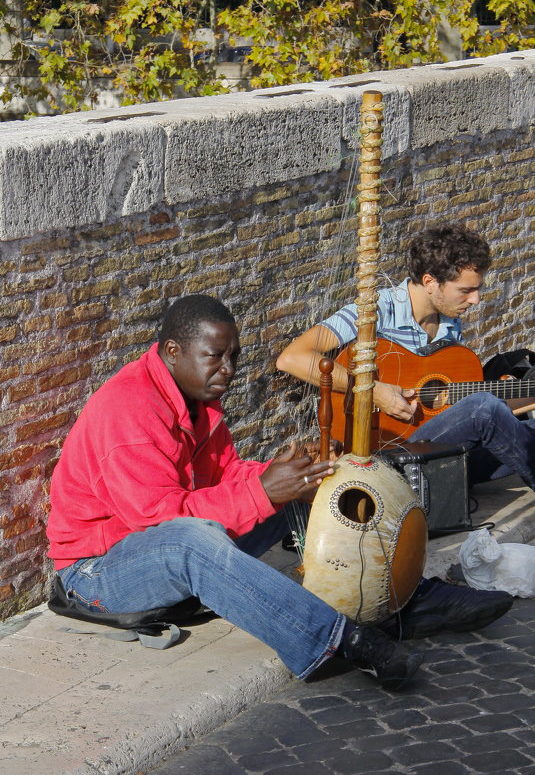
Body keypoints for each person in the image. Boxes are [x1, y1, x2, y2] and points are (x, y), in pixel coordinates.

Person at [47, 295, 426, 691]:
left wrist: (284, 476)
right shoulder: (128, 409)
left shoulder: (196, 398)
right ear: (173, 352)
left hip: (158, 544)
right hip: (95, 574)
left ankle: (399, 598)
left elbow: (226, 473)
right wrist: (263, 490)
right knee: (190, 541)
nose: (228, 370)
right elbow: (160, 520)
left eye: (234, 357)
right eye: (215, 356)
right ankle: (342, 641)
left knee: (308, 488)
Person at [277, 224, 529, 637]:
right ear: (431, 282)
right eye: (466, 290)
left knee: (511, 414)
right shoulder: (371, 311)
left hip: (436, 455)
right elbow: (293, 357)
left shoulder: (449, 323)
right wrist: (372, 389)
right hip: (384, 456)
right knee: (485, 408)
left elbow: (447, 397)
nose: (476, 299)